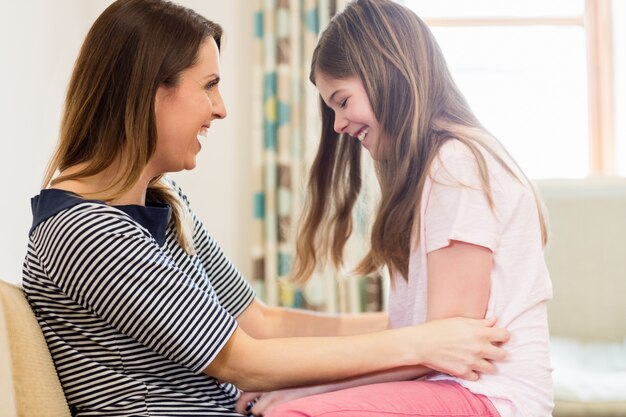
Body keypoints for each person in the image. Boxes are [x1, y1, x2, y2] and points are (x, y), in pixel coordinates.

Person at [22, 0, 510, 416]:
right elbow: (243, 360)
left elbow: (261, 322)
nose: (221, 108)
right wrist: (423, 344)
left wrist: (412, 324)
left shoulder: (165, 205)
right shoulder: (81, 230)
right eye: (208, 85)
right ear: (149, 91)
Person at [236, 1, 554, 416]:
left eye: (343, 101)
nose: (338, 125)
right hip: (451, 387)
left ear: (386, 72)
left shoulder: (456, 165)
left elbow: (441, 349)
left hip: (488, 396)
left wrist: (303, 394)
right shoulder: (433, 171)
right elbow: (418, 342)